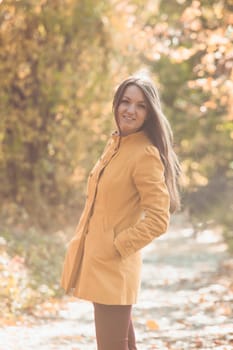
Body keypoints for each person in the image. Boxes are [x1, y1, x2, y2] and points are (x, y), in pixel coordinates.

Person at [61, 75, 181, 350]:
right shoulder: (115, 146)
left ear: (149, 112)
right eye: (125, 102)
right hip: (101, 263)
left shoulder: (144, 154)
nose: (130, 110)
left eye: (140, 105)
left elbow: (159, 219)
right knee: (123, 344)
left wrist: (117, 246)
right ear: (116, 105)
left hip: (114, 266)